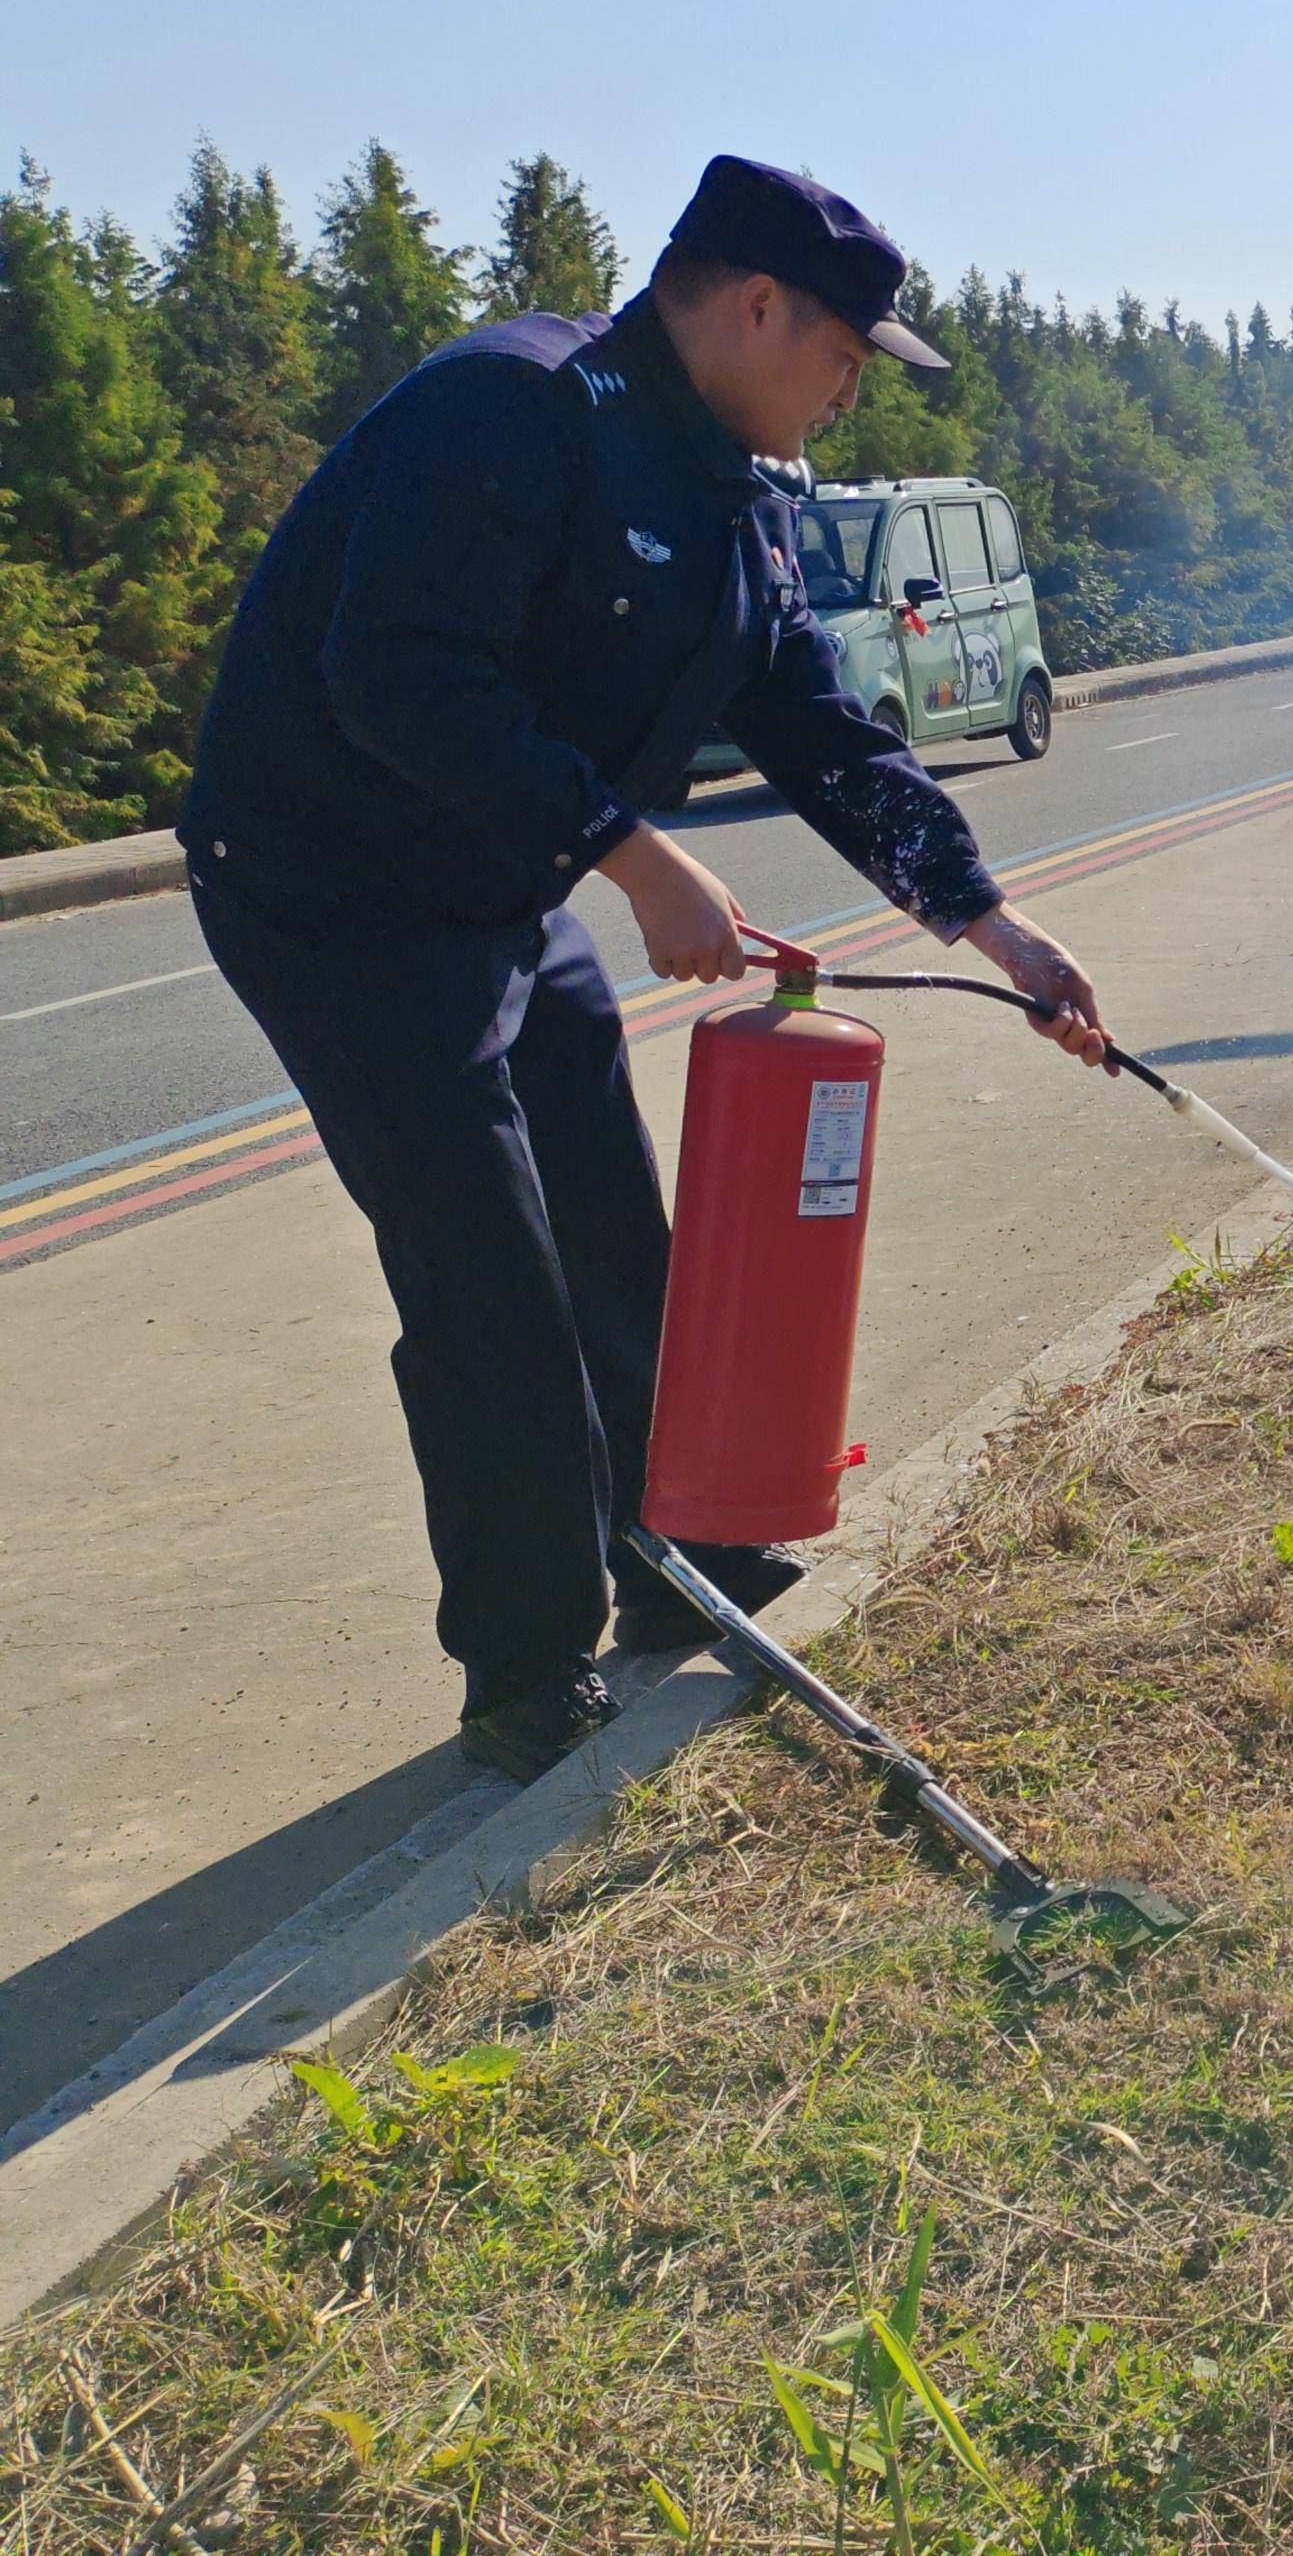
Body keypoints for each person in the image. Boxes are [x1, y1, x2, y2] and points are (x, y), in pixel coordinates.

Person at [180, 156, 1111, 1781]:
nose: (848, 393)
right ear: (756, 306)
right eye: (843, 354)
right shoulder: (510, 412)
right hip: (334, 893)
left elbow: (820, 731)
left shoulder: (742, 482)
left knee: (617, 1232)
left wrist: (992, 926)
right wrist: (634, 851)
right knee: (489, 1278)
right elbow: (396, 680)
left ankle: (675, 1557)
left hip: (504, 879)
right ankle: (525, 1666)